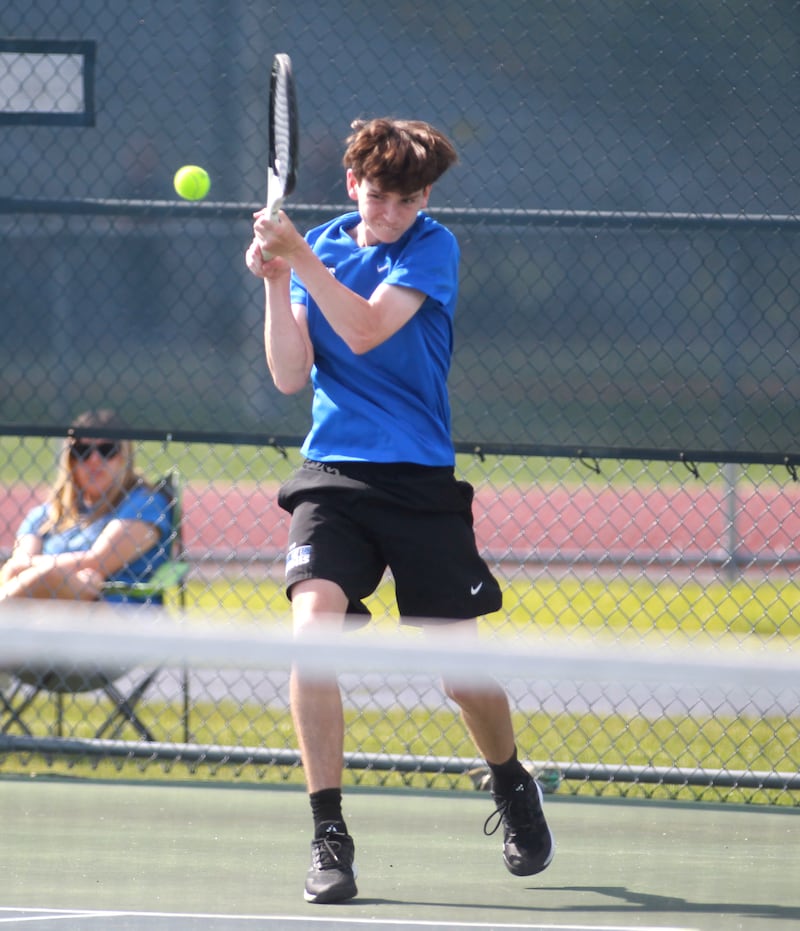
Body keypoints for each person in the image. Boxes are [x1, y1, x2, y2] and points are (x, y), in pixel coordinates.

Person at [245, 117, 554, 904]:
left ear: (425, 198)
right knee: (310, 637)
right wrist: (278, 283)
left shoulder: (432, 248)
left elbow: (369, 326)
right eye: (378, 196)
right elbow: (290, 375)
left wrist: (299, 260)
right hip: (332, 473)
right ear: (354, 184)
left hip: (418, 481)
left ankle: (512, 780)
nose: (389, 213)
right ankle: (328, 832)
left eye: (406, 199)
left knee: (461, 675)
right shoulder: (322, 245)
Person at [0, 409, 172, 604]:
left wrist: (52, 574)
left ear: (125, 456)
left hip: (118, 613)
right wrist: (74, 580)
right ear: (70, 459)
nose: (94, 460)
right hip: (47, 615)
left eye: (107, 450)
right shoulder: (44, 515)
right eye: (82, 450)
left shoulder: (145, 503)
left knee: (51, 576)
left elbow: (98, 562)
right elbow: (16, 567)